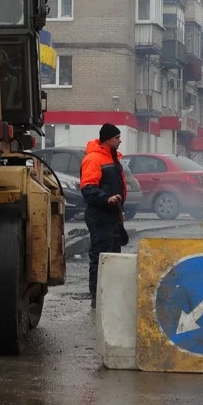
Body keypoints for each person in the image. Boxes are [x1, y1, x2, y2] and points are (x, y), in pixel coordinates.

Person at [79, 123, 127, 309]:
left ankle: (111, 294)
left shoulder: (112, 157)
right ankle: (97, 297)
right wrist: (106, 199)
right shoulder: (94, 159)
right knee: (100, 255)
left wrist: (117, 210)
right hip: (99, 214)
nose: (120, 140)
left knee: (114, 255)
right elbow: (88, 189)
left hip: (112, 214)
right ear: (107, 139)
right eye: (117, 138)